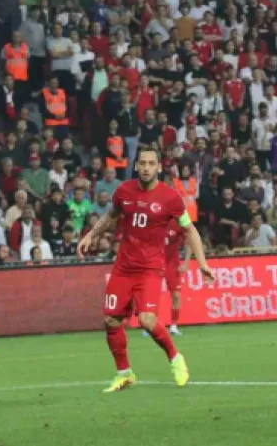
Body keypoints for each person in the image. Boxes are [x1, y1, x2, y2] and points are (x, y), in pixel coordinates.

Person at [76, 148, 215, 393]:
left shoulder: (170, 198)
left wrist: (202, 263)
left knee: (147, 320)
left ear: (159, 167)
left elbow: (190, 230)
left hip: (150, 268)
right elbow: (111, 215)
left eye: (152, 163)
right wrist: (91, 234)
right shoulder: (124, 191)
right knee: (110, 319)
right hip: (123, 267)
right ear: (137, 166)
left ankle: (175, 358)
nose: (147, 168)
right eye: (142, 163)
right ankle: (124, 373)